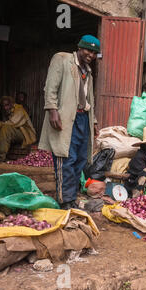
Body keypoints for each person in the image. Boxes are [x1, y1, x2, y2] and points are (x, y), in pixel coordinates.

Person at [39, 35, 101, 210]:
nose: (91, 55)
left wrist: (93, 121)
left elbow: (89, 99)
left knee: (80, 160)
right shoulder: (63, 59)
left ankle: (72, 198)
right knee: (66, 159)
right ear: (80, 48)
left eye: (95, 52)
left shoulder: (87, 71)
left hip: (83, 119)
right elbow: (50, 87)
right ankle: (64, 200)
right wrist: (52, 110)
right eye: (89, 50)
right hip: (65, 118)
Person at [0, 96, 36, 162]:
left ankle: (1, 156)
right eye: (3, 106)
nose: (5, 108)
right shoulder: (6, 111)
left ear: (11, 103)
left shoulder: (19, 109)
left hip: (25, 134)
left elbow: (12, 123)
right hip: (15, 131)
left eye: (7, 105)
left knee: (6, 128)